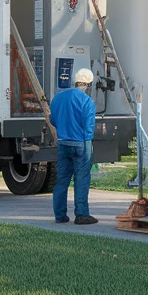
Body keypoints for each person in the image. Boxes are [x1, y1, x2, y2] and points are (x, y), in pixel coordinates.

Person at [49, 68, 98, 225]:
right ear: (88, 85)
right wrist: (88, 142)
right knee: (81, 178)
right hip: (81, 143)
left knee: (62, 180)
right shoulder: (87, 101)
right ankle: (82, 214)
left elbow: (53, 120)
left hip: (63, 142)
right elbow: (89, 125)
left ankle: (60, 215)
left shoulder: (58, 98)